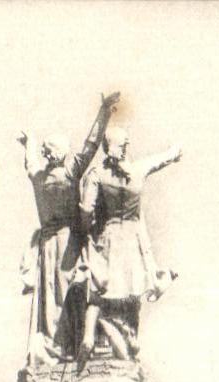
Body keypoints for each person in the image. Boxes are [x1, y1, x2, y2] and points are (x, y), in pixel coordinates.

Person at [18, 92, 120, 360]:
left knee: (49, 297)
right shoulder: (70, 171)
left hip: (47, 243)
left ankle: (56, 343)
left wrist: (29, 143)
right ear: (61, 153)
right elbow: (91, 144)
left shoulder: (39, 178)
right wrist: (104, 111)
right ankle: (69, 346)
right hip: (68, 241)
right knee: (69, 293)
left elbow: (30, 163)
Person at [77, 125, 182, 368]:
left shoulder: (96, 175)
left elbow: (86, 212)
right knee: (134, 294)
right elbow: (160, 160)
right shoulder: (137, 170)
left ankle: (89, 335)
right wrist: (173, 152)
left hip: (110, 238)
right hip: (134, 240)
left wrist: (86, 228)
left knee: (100, 289)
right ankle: (130, 341)